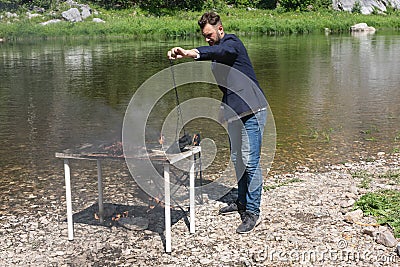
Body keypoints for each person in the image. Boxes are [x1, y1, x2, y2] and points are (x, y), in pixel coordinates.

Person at [167, 12, 267, 234]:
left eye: (209, 35)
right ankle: (241, 202)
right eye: (204, 36)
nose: (207, 39)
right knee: (237, 159)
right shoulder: (217, 52)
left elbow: (221, 50)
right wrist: (224, 108)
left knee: (250, 161)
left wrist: (191, 53)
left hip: (253, 110)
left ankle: (253, 212)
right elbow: (228, 85)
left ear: (220, 29)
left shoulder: (232, 43)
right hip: (235, 112)